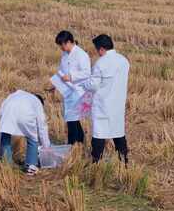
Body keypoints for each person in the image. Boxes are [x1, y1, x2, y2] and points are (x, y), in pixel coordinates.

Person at [84, 34, 130, 164]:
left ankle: (95, 162)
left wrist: (84, 83)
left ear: (101, 49)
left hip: (103, 104)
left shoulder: (101, 63)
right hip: (118, 104)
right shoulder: (124, 61)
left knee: (99, 134)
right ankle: (124, 161)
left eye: (97, 49)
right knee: (118, 132)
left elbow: (93, 85)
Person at [0, 90, 51, 176]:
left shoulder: (15, 94)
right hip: (25, 116)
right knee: (33, 138)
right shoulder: (37, 102)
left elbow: (1, 109)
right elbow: (42, 127)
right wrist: (46, 146)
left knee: (5, 135)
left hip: (7, 113)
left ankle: (7, 166)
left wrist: (2, 120)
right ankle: (31, 166)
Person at [53, 30, 91, 145]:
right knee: (72, 120)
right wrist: (57, 83)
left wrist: (71, 77)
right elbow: (62, 71)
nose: (61, 48)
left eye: (62, 45)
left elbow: (87, 73)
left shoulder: (81, 55)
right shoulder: (64, 55)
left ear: (69, 42)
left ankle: (73, 146)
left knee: (71, 121)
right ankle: (79, 143)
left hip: (78, 92)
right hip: (67, 91)